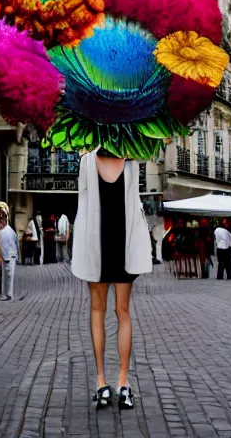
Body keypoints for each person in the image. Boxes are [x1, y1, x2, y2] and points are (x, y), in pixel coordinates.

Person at [72, 147, 152, 410]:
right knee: (122, 311)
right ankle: (120, 382)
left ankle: (104, 382)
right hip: (116, 245)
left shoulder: (89, 160)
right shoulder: (130, 160)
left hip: (103, 245)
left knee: (100, 311)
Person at [0, 210, 20, 301]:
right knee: (10, 276)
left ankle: (5, 294)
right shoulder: (11, 231)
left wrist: (4, 257)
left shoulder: (4, 232)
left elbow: (6, 246)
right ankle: (9, 293)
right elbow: (16, 243)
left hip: (7, 256)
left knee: (5, 277)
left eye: (0, 221)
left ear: (3, 221)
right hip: (13, 256)